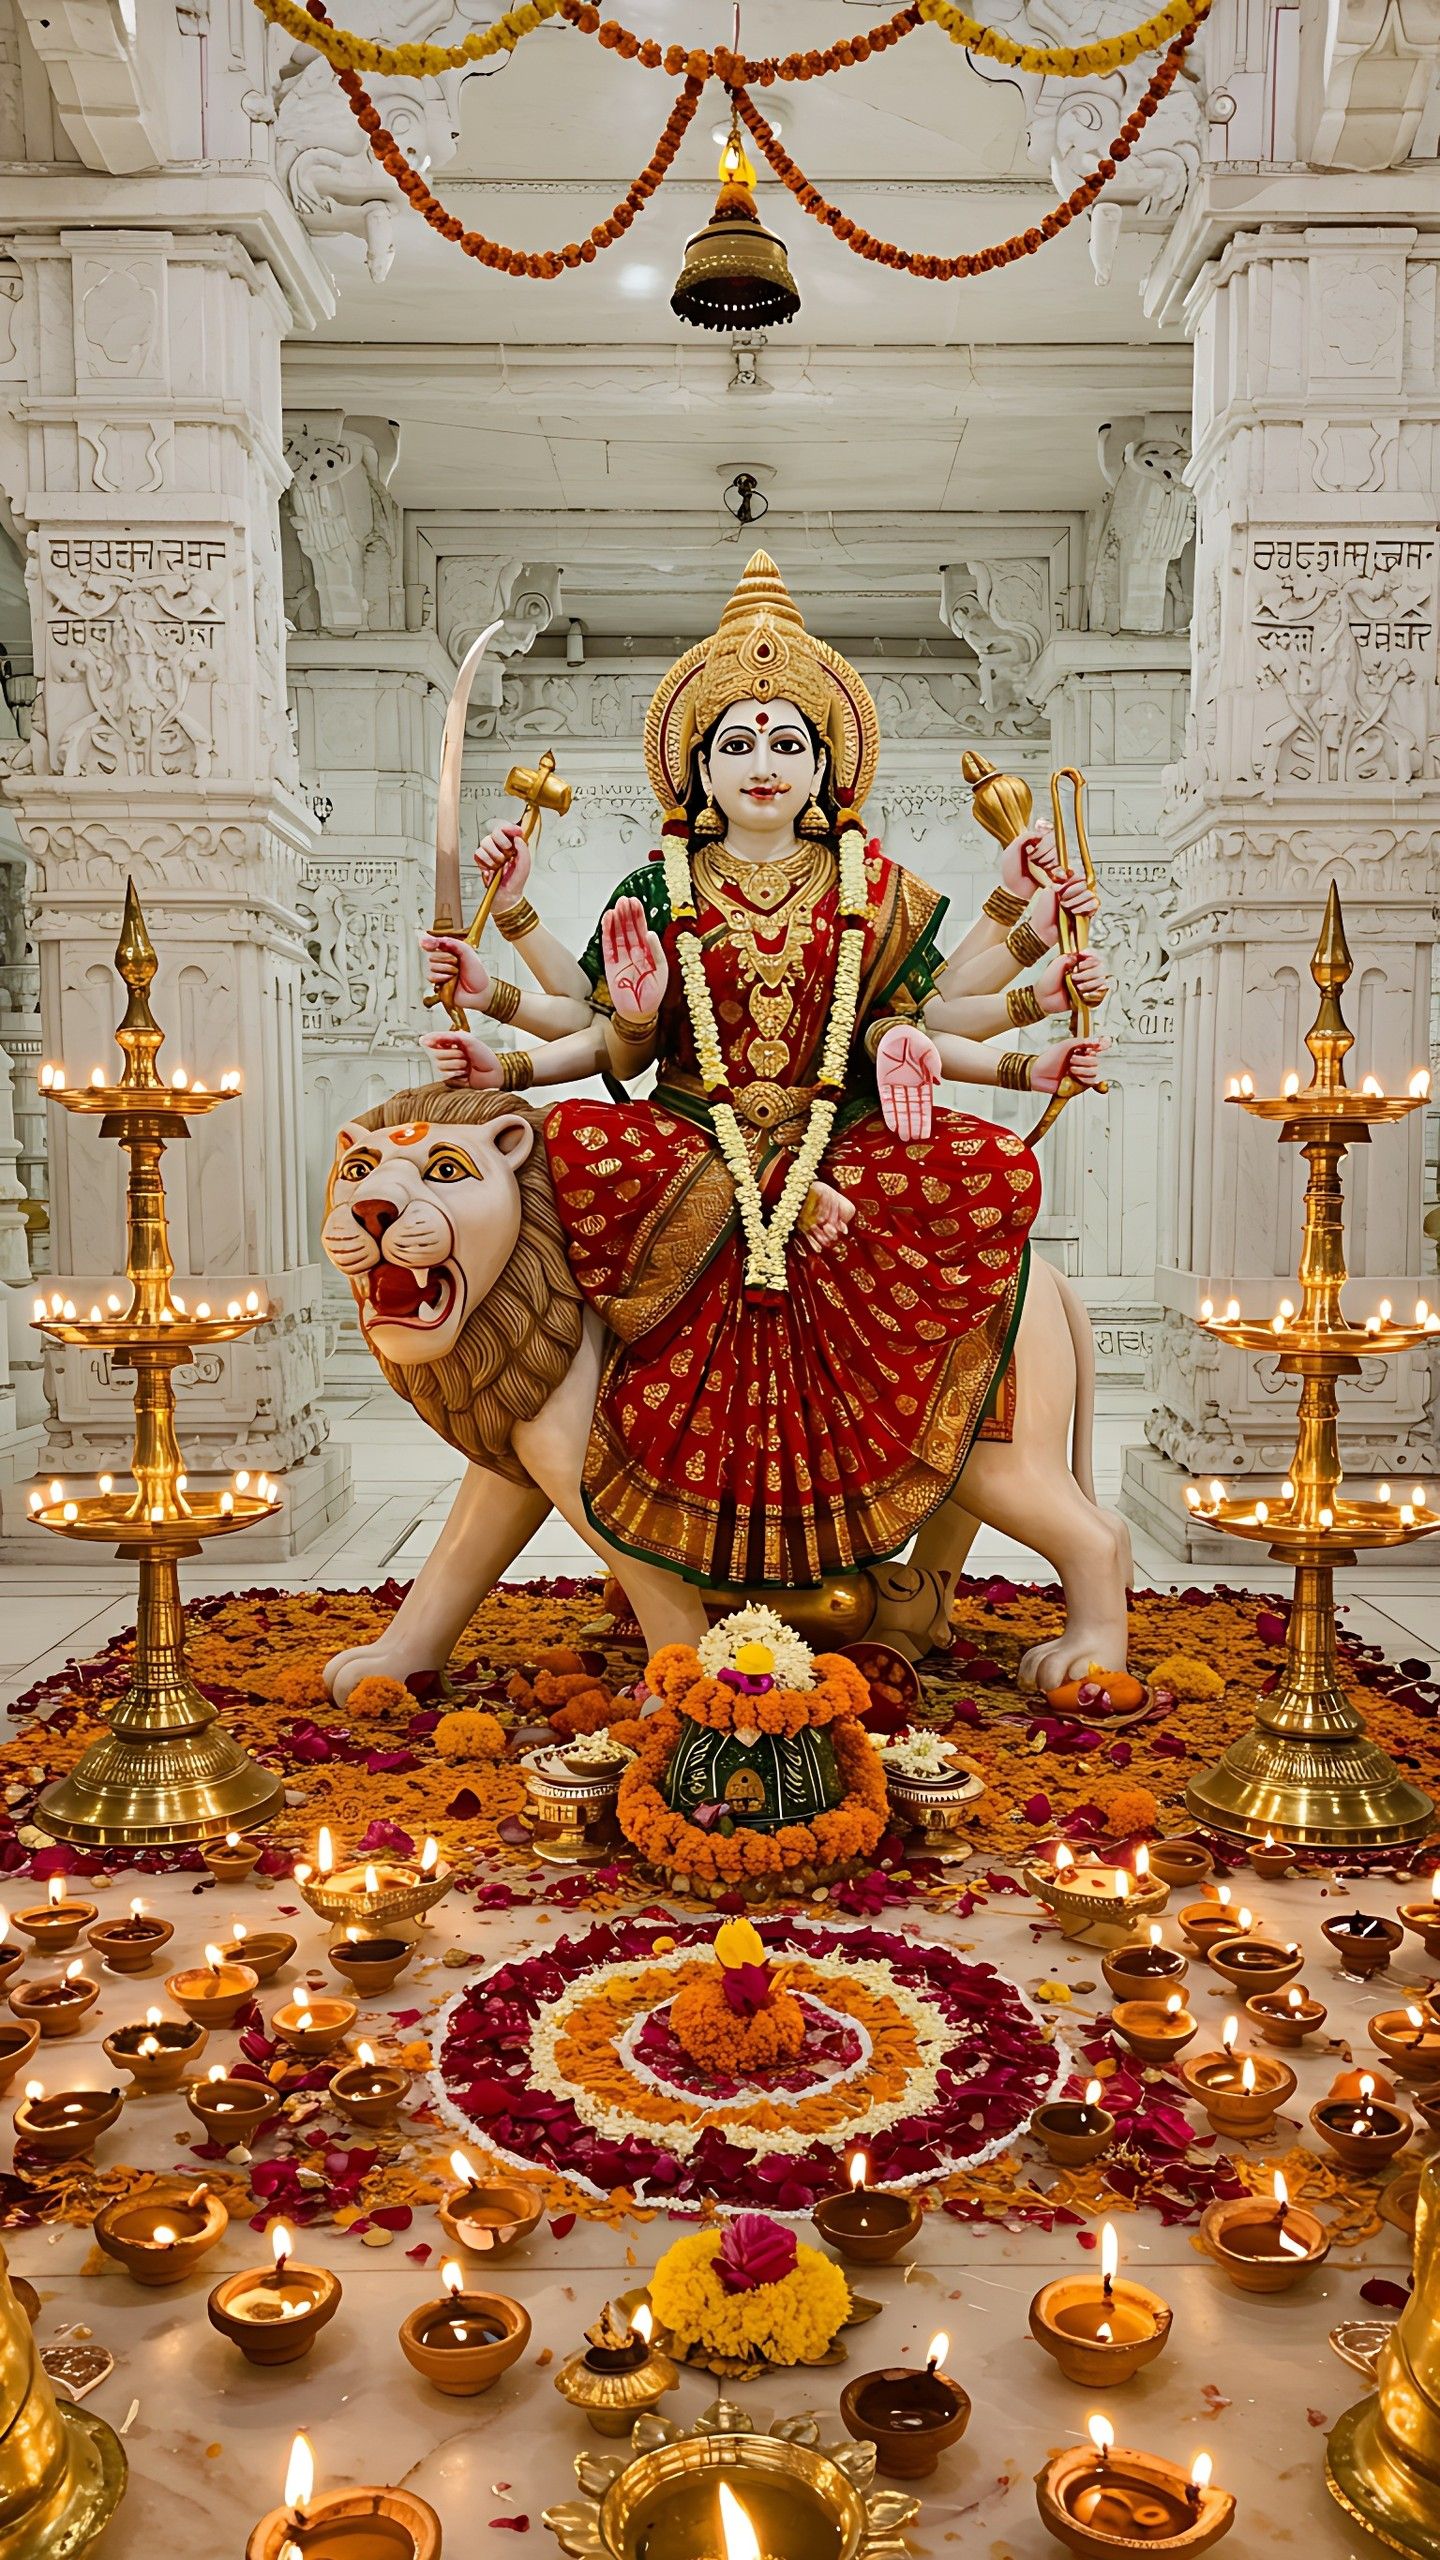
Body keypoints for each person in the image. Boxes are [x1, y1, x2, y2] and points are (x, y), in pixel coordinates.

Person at [420, 550, 1107, 1593]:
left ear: (826, 768)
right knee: (568, 1157)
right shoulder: (660, 883)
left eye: (788, 741)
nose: (763, 763)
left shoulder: (874, 885)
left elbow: (923, 1010)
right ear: (697, 769)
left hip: (845, 1142)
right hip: (691, 1145)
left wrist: (1029, 944)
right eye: (736, 742)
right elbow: (604, 1025)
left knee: (981, 1166)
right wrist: (509, 995)